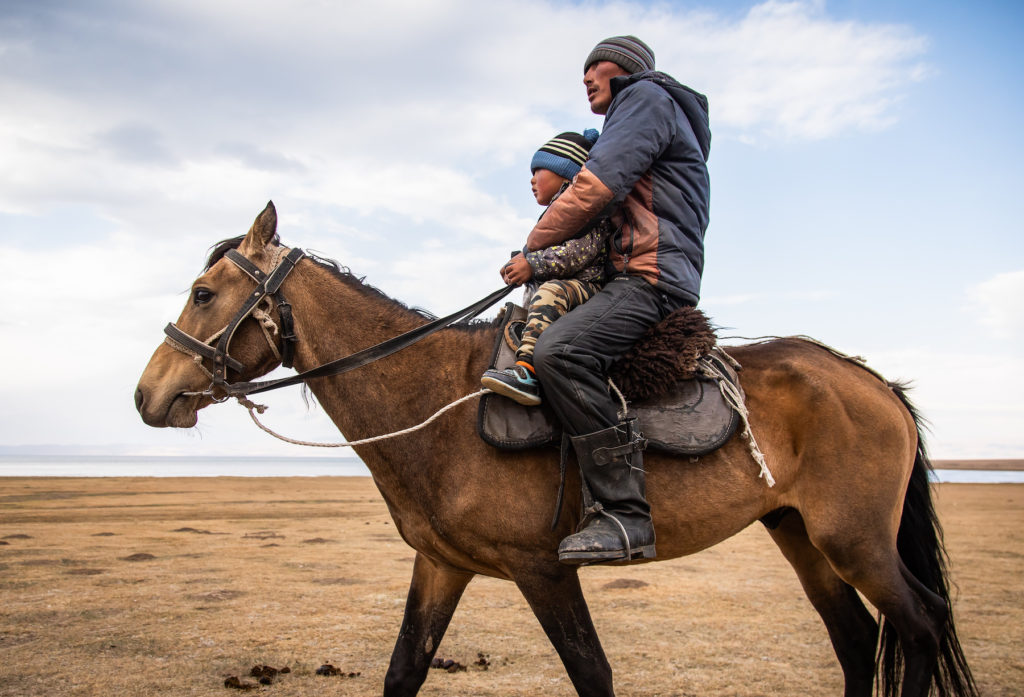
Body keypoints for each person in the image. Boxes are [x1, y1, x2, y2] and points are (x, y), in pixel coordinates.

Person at [526, 36, 712, 565]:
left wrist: (533, 248)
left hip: (649, 275)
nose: (586, 77)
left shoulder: (645, 98)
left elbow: (595, 187)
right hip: (635, 272)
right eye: (582, 70)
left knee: (559, 353)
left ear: (625, 72)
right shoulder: (646, 111)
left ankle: (625, 514)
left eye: (597, 67)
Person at [481, 129, 612, 407]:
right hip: (565, 288)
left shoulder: (585, 209)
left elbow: (578, 253)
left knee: (551, 291)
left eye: (538, 170)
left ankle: (527, 372)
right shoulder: (556, 212)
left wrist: (533, 264)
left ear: (566, 174)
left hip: (587, 287)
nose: (531, 179)